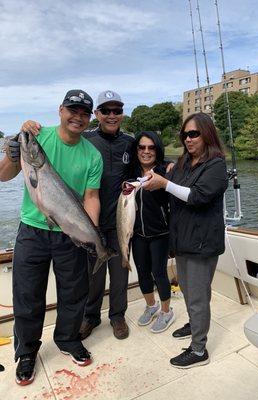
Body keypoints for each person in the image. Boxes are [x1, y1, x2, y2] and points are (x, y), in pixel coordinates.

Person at [0, 90, 103, 385]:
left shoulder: (92, 155)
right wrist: (12, 150)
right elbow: (4, 176)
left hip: (70, 234)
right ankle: (28, 352)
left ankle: (68, 339)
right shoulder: (36, 136)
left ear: (89, 119)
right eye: (73, 111)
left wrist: (90, 234)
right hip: (32, 231)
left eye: (84, 114)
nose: (78, 117)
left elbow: (91, 197)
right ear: (60, 111)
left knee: (74, 294)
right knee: (27, 296)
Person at [22, 90, 134, 340]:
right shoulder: (87, 138)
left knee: (119, 274)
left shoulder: (130, 141)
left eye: (117, 110)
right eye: (106, 110)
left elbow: (142, 167)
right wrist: (26, 129)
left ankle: (117, 317)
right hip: (84, 222)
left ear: (122, 114)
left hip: (117, 219)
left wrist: (164, 168)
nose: (112, 115)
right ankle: (90, 317)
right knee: (91, 277)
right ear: (98, 115)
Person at [143, 112, 228, 368]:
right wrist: (155, 178)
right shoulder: (182, 163)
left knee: (198, 297)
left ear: (207, 134)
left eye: (194, 134)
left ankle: (199, 350)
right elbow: (171, 189)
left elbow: (198, 196)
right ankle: (194, 325)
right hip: (182, 241)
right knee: (190, 291)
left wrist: (165, 183)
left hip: (203, 244)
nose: (188, 139)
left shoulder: (216, 165)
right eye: (185, 135)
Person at [130, 131, 175, 333]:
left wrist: (173, 168)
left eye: (151, 147)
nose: (146, 151)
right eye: (142, 147)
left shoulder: (167, 169)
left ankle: (166, 311)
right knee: (142, 272)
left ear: (157, 149)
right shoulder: (130, 171)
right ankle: (151, 306)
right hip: (137, 234)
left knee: (159, 273)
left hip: (160, 234)